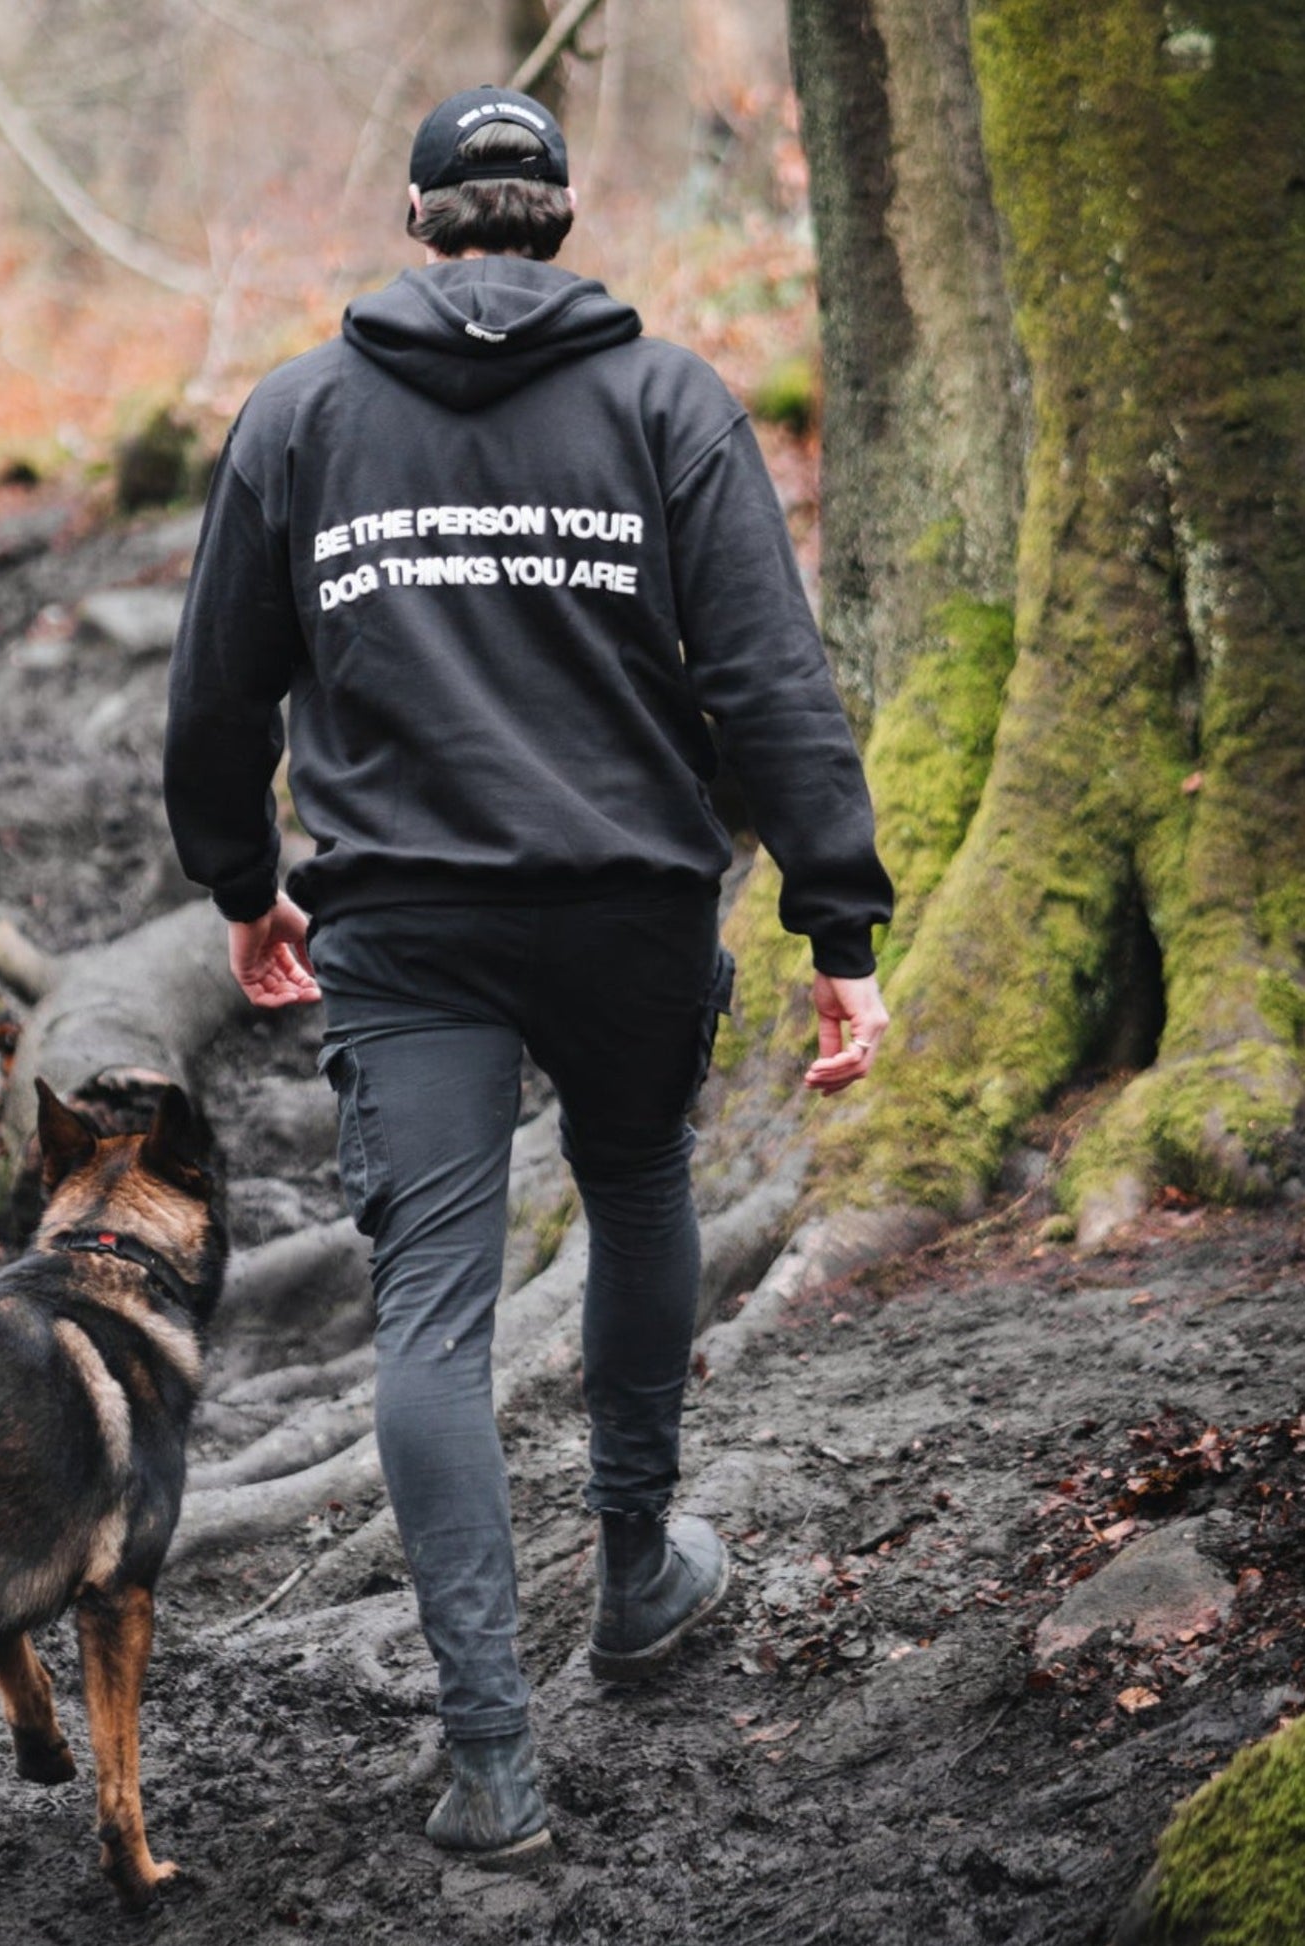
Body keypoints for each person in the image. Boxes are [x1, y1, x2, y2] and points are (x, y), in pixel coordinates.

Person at [163, 84, 893, 1867]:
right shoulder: (667, 402)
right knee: (639, 1181)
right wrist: (837, 930)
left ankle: (488, 1753)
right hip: (634, 906)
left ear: (421, 222)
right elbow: (773, 686)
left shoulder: (301, 417)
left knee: (426, 1309)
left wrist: (245, 887)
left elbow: (212, 704)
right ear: (555, 215)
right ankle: (635, 1574)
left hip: (404, 926)